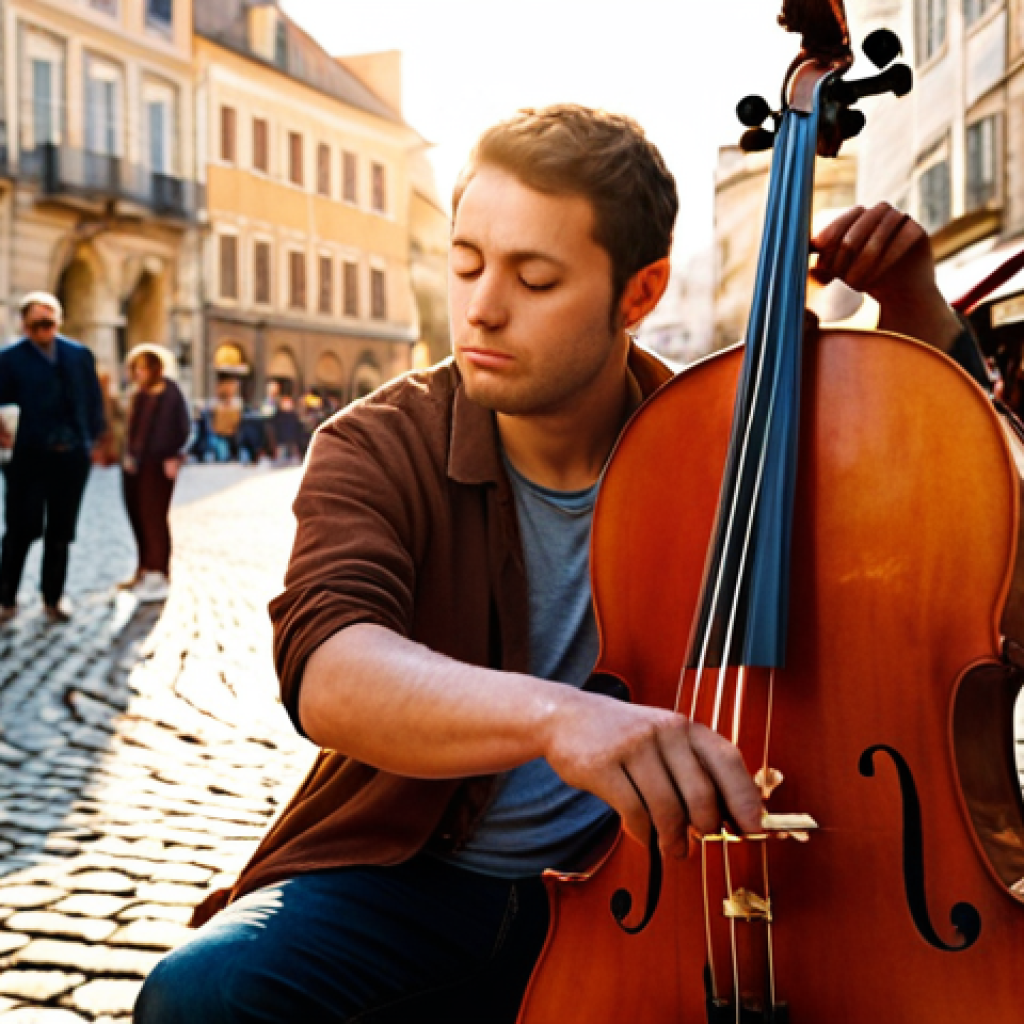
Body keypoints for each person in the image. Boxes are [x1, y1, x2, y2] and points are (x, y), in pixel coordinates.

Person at [135, 106, 982, 1024]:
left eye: (534, 278)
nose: (483, 306)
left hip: (676, 891)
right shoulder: (377, 444)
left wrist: (919, 320)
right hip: (414, 882)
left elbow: (960, 536)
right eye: (465, 263)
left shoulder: (734, 449)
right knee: (201, 997)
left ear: (640, 292)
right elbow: (330, 668)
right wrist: (556, 720)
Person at [0, 291, 105, 624]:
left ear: (58, 322)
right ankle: (6, 598)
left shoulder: (79, 355)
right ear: (25, 325)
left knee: (60, 532)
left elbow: (93, 402)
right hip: (26, 460)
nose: (43, 331)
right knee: (20, 529)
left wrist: (92, 441)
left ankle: (53, 597)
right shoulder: (9, 359)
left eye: (49, 323)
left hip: (70, 458)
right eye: (36, 325)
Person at [120, 346, 191, 604]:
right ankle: (143, 570)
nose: (138, 372)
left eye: (143, 367)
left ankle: (159, 573)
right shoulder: (137, 394)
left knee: (154, 517)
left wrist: (175, 455)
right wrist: (127, 455)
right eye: (135, 367)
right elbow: (130, 431)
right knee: (137, 516)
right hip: (135, 465)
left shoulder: (171, 392)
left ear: (155, 369)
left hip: (160, 464)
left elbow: (185, 428)